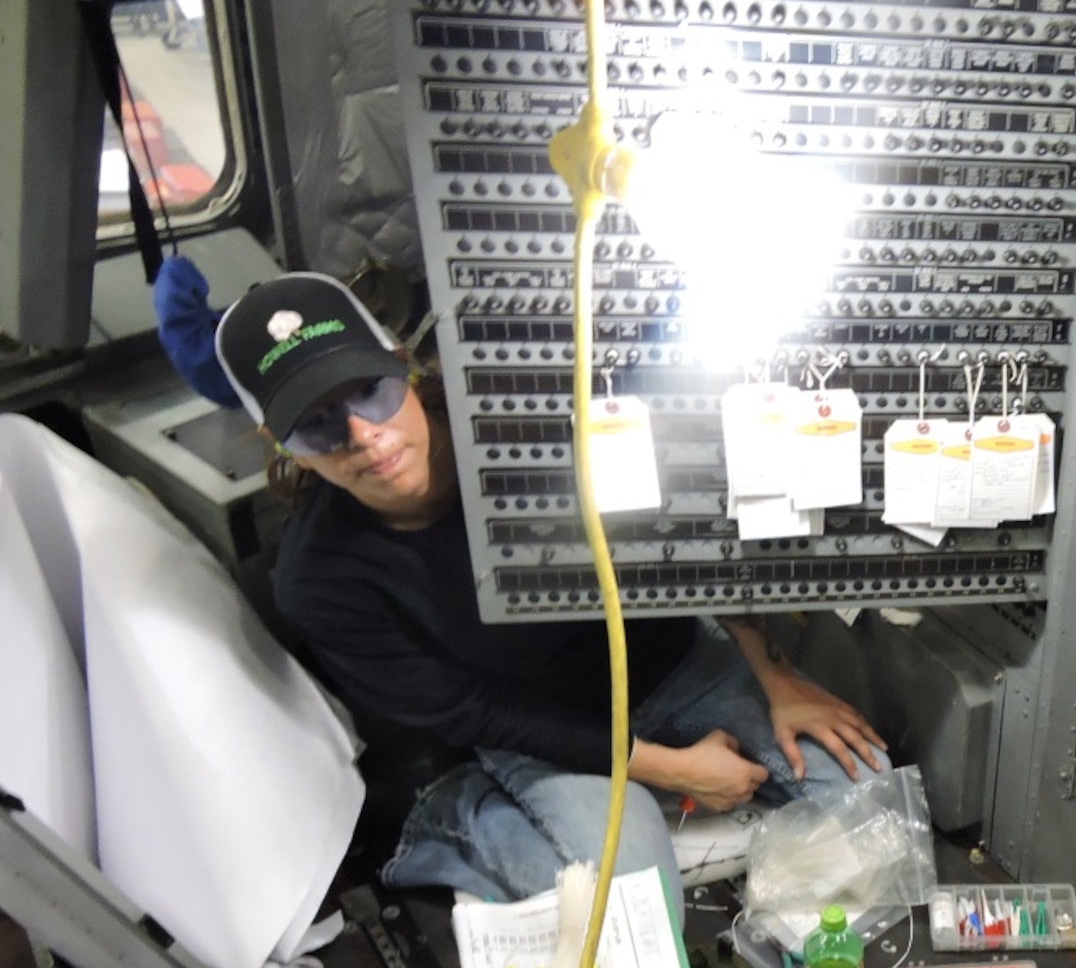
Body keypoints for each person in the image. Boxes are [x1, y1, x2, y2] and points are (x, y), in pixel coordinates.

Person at [215, 271, 887, 905]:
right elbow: (474, 711)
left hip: (672, 661)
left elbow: (682, 525)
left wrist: (778, 679)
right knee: (631, 903)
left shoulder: (523, 424)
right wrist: (671, 770)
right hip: (539, 727)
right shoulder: (320, 581)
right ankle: (456, 817)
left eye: (368, 390)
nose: (364, 435)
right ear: (282, 444)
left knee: (872, 805)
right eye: (320, 423)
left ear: (403, 364)